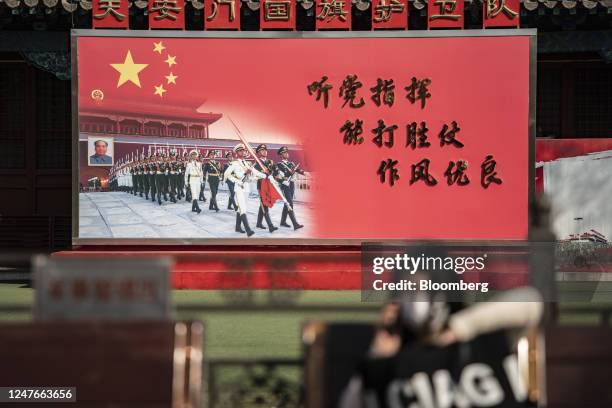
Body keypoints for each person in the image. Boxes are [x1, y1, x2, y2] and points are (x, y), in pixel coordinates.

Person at [223, 143, 269, 237]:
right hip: (239, 188)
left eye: (243, 150)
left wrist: (265, 175)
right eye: (240, 151)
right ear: (236, 152)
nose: (242, 152)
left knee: (241, 208)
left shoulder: (247, 163)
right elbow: (226, 174)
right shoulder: (234, 163)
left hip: (246, 188)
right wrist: (237, 180)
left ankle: (237, 227)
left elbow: (255, 172)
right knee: (243, 209)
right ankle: (248, 230)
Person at [275, 146, 304, 230]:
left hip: (291, 185)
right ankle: (295, 224)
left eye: (287, 152)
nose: (287, 154)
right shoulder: (279, 165)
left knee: (287, 204)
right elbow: (278, 176)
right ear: (281, 155)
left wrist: (304, 173)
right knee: (289, 204)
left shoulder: (291, 163)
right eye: (284, 153)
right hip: (285, 185)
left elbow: (297, 170)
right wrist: (285, 178)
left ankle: (282, 222)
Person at [254, 144, 278, 233]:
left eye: (265, 150)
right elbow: (256, 175)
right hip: (261, 186)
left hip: (269, 186)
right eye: (262, 150)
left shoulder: (270, 162)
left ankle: (258, 223)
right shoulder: (257, 164)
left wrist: (276, 176)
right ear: (258, 153)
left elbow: (276, 171)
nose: (265, 151)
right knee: (265, 204)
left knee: (263, 205)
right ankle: (270, 226)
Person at [185, 150, 203, 214]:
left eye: (195, 155)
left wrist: (201, 181)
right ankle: (198, 208)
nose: (194, 156)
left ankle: (193, 208)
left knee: (197, 194)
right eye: (192, 155)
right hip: (192, 179)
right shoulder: (189, 164)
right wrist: (186, 182)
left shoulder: (199, 164)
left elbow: (201, 173)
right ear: (191, 156)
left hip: (198, 180)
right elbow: (186, 174)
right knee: (194, 194)